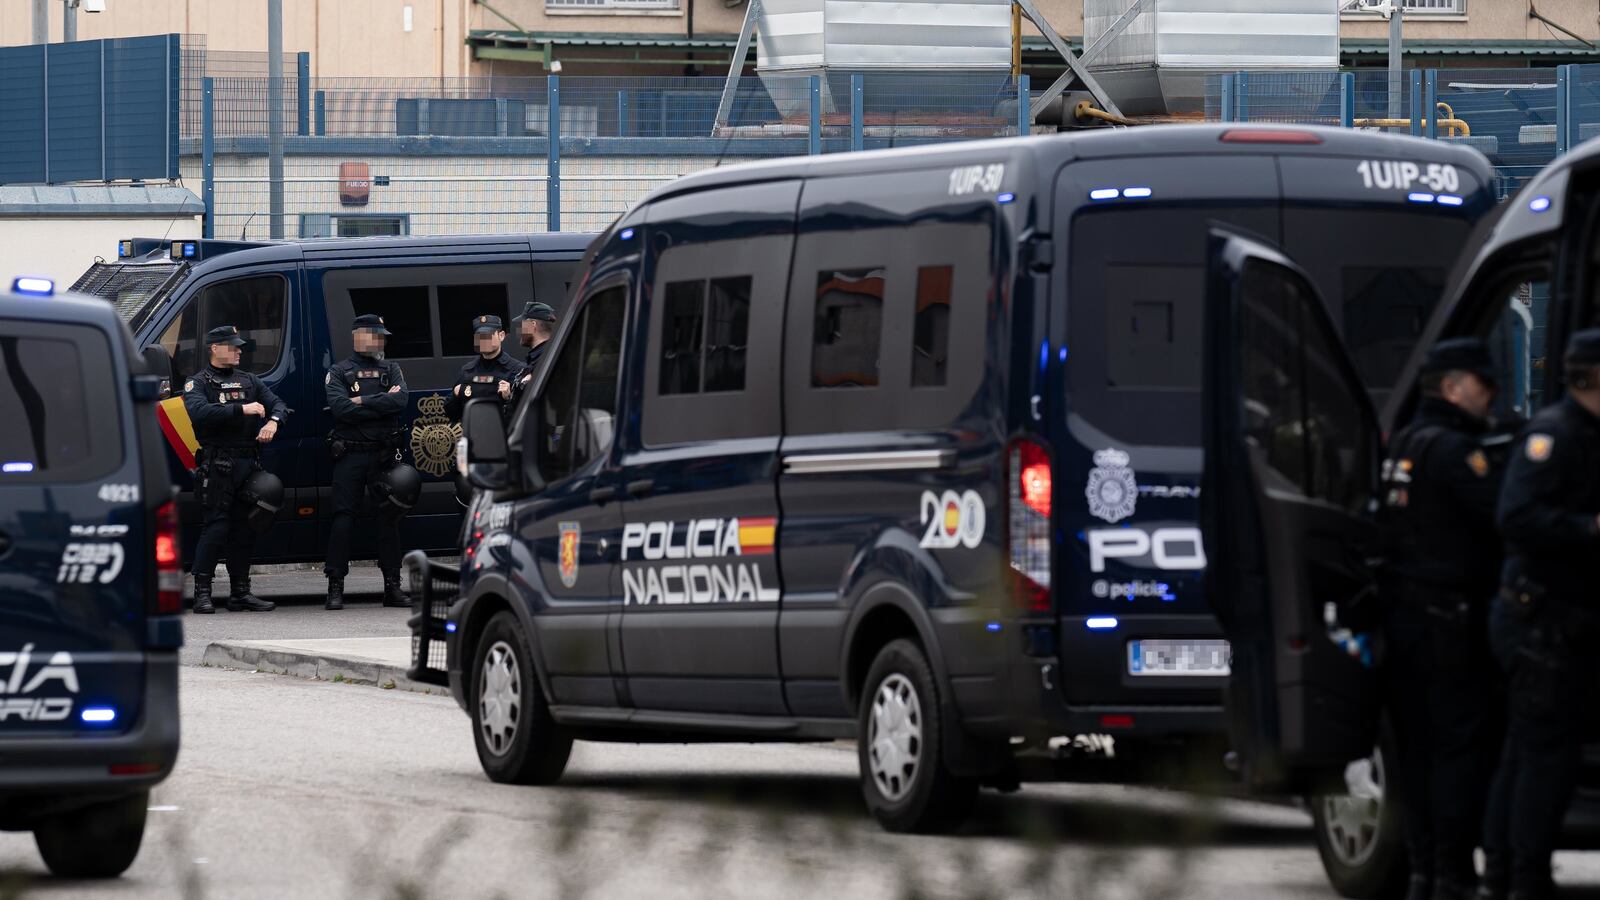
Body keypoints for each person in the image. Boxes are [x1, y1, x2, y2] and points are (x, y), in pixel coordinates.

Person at [1376, 338, 1508, 900]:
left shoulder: (1403, 443)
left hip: (1403, 618)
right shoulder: (1457, 451)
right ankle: (1452, 873)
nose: (1491, 395)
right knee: (1459, 751)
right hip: (1450, 623)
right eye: (1483, 383)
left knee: (1417, 751)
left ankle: (1424, 870)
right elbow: (1504, 518)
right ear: (1453, 387)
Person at [1487, 328, 1600, 900]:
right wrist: (1590, 528)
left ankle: (1505, 873)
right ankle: (1524, 879)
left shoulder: (1587, 433)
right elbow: (1517, 518)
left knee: (1527, 752)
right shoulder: (1553, 435)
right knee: (1545, 758)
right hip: (1540, 623)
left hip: (1560, 620)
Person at [184, 325, 287, 614]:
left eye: (239, 346)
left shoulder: (249, 380)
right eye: (232, 346)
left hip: (247, 463)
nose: (239, 351)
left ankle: (240, 592)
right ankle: (202, 592)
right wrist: (242, 409)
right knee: (216, 528)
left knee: (245, 529)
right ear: (215, 348)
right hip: (218, 464)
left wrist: (273, 422)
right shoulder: (198, 382)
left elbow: (279, 404)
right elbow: (199, 413)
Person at [323, 314, 412, 611]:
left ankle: (392, 586)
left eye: (382, 337)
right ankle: (335, 586)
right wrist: (381, 402)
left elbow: (400, 401)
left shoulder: (391, 368)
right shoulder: (339, 371)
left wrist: (361, 401)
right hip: (350, 454)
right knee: (343, 519)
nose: (381, 341)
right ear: (359, 336)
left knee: (389, 520)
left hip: (382, 455)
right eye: (376, 335)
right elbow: (340, 409)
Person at [446, 314, 522, 422]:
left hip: (502, 431)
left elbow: (525, 415)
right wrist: (456, 394)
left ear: (501, 336)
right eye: (480, 336)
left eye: (488, 335)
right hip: (474, 431)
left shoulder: (517, 369)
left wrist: (509, 398)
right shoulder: (467, 371)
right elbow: (451, 414)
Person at [516, 301, 557, 386]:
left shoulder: (544, 359)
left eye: (522, 325)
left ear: (532, 325)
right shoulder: (551, 352)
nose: (520, 330)